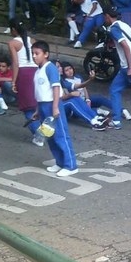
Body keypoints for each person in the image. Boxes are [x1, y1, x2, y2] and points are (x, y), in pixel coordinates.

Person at [30, 44, 79, 176]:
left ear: (45, 54)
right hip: (42, 105)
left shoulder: (50, 68)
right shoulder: (38, 70)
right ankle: (60, 162)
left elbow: (56, 88)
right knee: (50, 135)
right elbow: (40, 92)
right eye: (33, 53)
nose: (34, 56)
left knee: (61, 136)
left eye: (37, 53)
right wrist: (37, 110)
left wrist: (56, 106)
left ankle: (71, 165)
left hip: (52, 104)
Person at [7, 18, 41, 145]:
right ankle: (42, 130)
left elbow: (15, 63)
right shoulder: (33, 41)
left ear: (14, 30)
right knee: (36, 103)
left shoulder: (13, 43)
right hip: (35, 71)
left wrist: (13, 81)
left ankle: (38, 135)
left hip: (24, 73)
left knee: (27, 108)